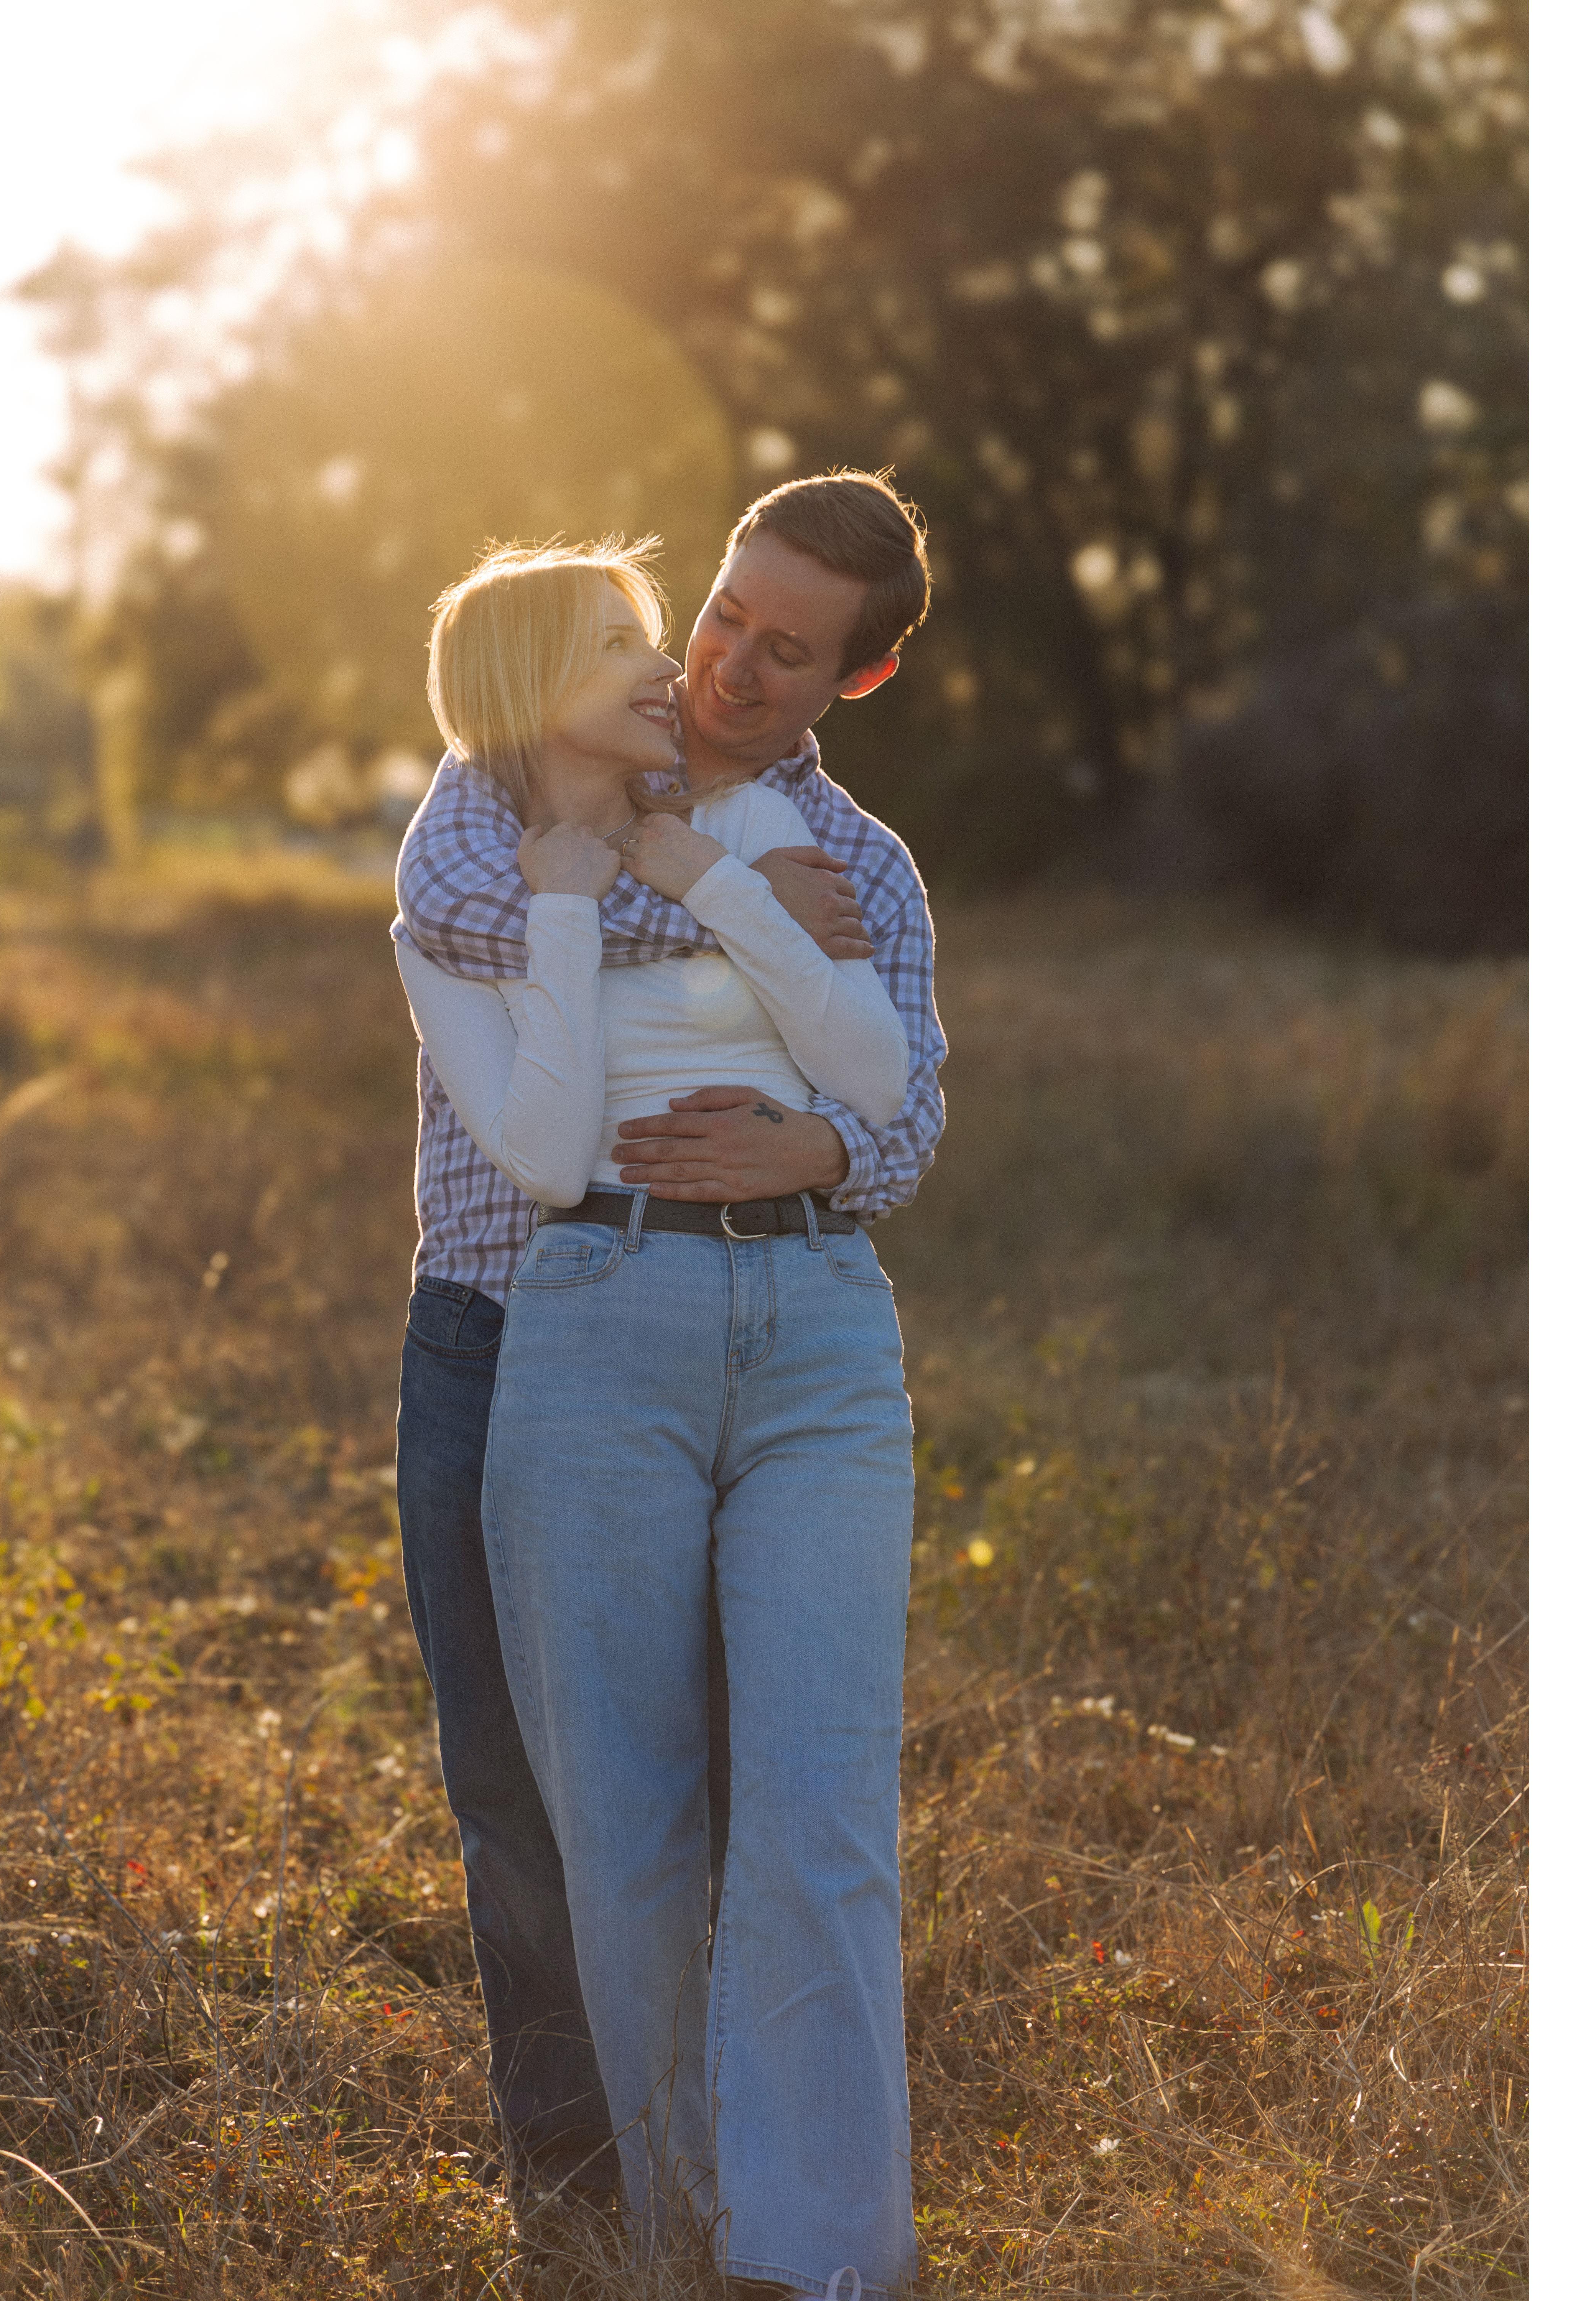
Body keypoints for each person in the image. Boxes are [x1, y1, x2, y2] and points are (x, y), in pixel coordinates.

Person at [390, 472, 945, 2275]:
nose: (728, 664)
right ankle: (594, 2211)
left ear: (854, 679)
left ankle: (778, 2226)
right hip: (505, 1321)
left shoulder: (860, 859)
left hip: (767, 1313)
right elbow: (469, 923)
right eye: (722, 615)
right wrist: (718, 892)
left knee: (769, 1797)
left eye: (789, 651)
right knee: (532, 1806)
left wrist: (826, 1146)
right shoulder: (494, 793)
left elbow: (906, 1111)